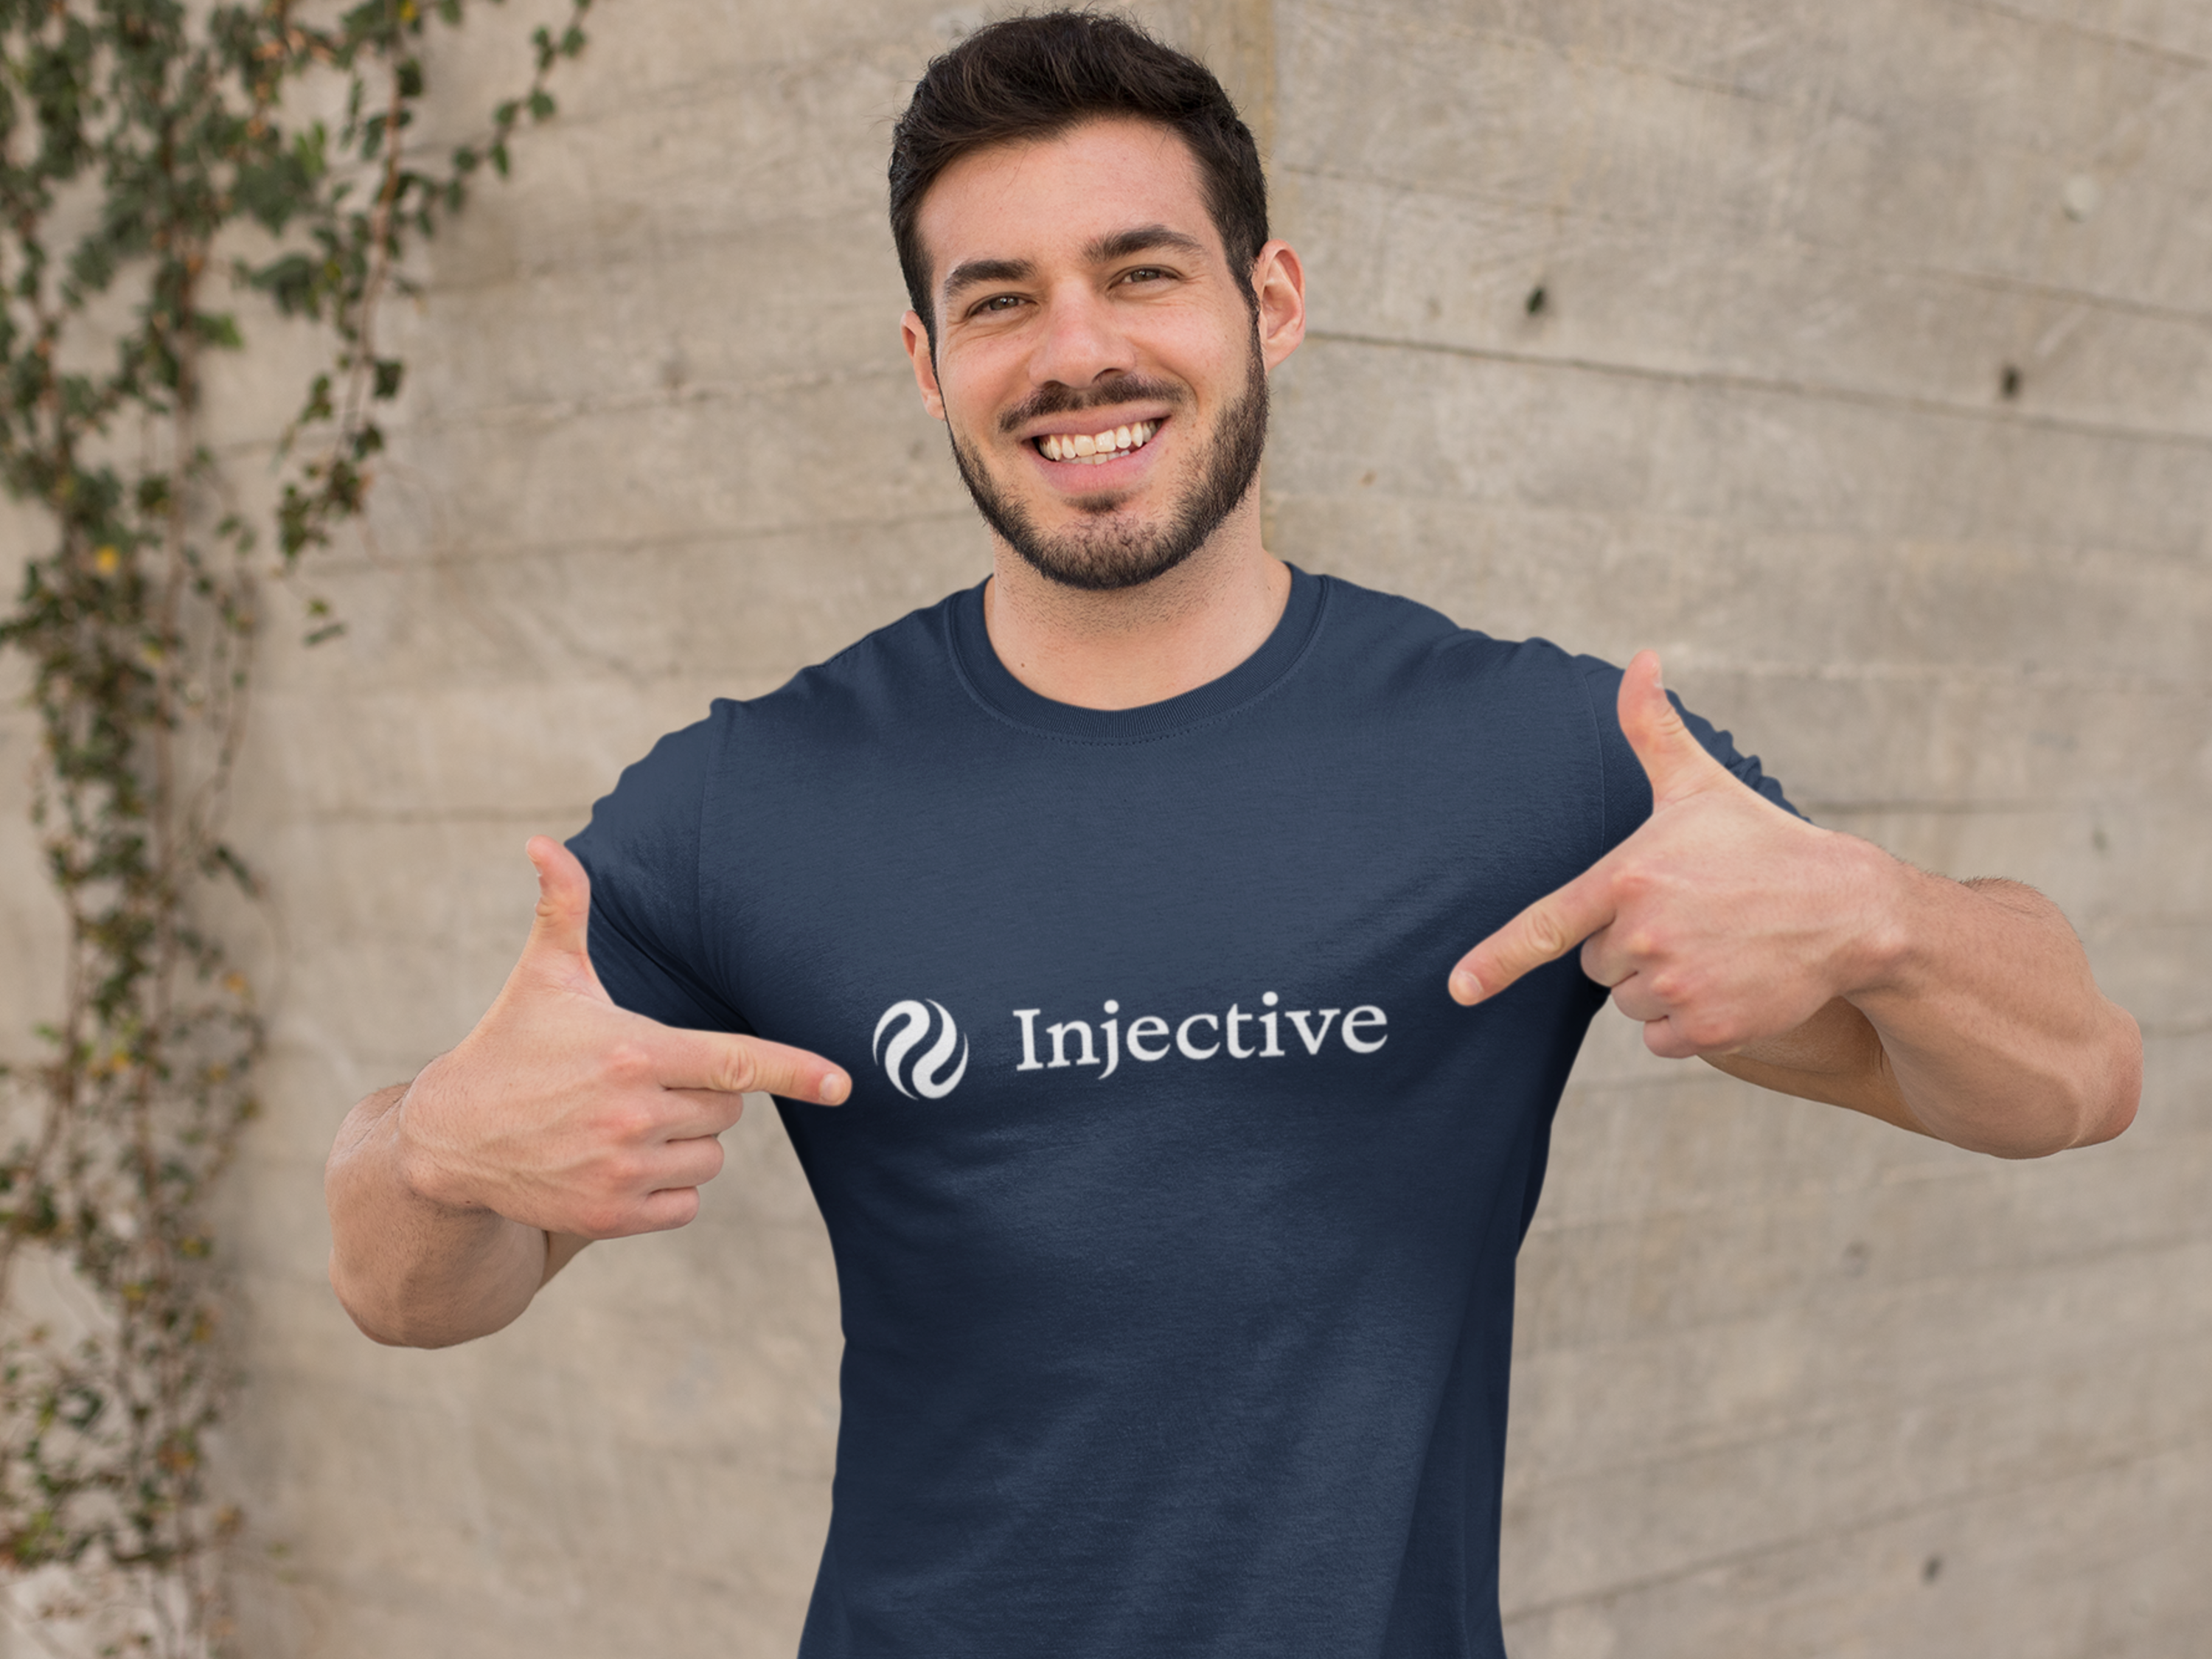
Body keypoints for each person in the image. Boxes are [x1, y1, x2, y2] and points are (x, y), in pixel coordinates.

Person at [324, 13, 2141, 1656]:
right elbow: (407, 1294)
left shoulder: (1535, 761)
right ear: (924, 356)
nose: (1079, 351)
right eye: (1001, 299)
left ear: (1270, 300)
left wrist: (1886, 919)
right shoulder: (753, 801)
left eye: (1140, 272)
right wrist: (430, 1151)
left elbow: (2073, 1079)